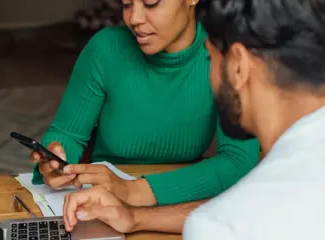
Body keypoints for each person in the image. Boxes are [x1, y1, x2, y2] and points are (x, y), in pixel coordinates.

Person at [62, 0, 325, 238]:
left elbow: (234, 213)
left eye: (210, 57)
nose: (135, 18)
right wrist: (135, 218)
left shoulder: (219, 227)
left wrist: (134, 195)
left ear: (238, 66)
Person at [30, 0, 259, 207]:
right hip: (106, 201)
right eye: (127, 4)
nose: (134, 19)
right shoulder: (105, 49)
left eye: (150, 3)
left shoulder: (224, 54)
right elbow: (66, 134)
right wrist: (56, 160)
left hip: (184, 201)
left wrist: (136, 191)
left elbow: (238, 160)